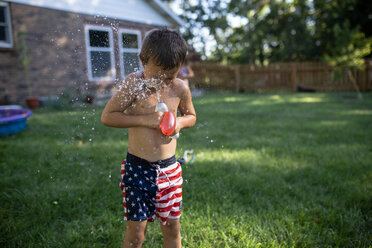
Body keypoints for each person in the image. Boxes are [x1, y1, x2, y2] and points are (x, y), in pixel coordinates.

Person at [101, 28, 196, 248]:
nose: (163, 82)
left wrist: (179, 122)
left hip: (169, 171)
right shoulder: (133, 84)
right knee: (136, 233)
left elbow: (191, 116)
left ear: (179, 68)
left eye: (170, 76)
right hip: (137, 170)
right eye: (157, 75)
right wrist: (147, 120)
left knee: (172, 229)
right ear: (142, 61)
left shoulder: (180, 88)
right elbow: (108, 117)